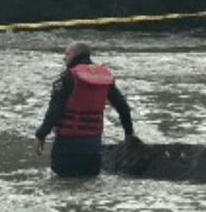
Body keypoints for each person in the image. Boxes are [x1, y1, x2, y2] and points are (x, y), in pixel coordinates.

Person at [34, 43, 139, 177]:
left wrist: (41, 134)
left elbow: (54, 110)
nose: (64, 58)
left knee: (63, 188)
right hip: (93, 149)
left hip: (67, 148)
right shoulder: (105, 78)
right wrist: (129, 133)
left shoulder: (67, 77)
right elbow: (123, 107)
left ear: (76, 54)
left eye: (67, 54)